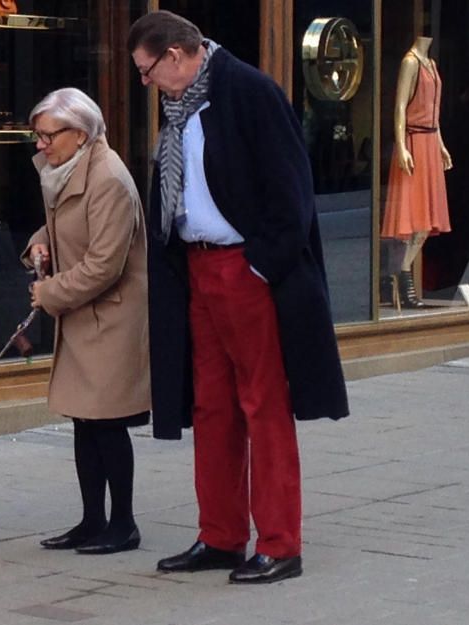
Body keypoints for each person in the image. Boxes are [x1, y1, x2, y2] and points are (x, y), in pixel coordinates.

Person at [128, 11, 349, 584]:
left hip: (243, 268)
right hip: (197, 268)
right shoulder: (179, 106)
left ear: (176, 55)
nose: (146, 83)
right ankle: (221, 536)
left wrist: (259, 267)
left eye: (148, 70)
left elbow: (292, 190)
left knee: (262, 403)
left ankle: (280, 543)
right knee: (212, 407)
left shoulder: (249, 91)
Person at [23, 88, 152, 556]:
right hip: (85, 313)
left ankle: (123, 524)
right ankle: (92, 520)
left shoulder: (108, 178)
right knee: (84, 420)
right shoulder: (67, 168)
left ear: (79, 133)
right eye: (37, 136)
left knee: (107, 422)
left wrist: (49, 293)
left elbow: (104, 265)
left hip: (111, 316)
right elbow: (66, 226)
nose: (41, 145)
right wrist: (39, 242)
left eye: (48, 135)